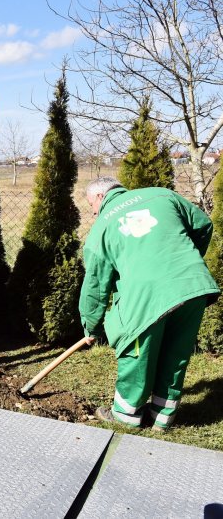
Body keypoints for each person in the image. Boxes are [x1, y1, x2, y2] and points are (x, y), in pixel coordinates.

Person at [79, 176, 219, 431]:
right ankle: (162, 417)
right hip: (192, 286)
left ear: (100, 197)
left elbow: (95, 286)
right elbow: (202, 225)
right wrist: (182, 262)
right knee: (175, 353)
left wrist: (91, 326)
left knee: (137, 352)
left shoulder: (102, 227)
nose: (94, 212)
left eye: (91, 206)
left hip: (146, 296)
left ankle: (126, 415)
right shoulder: (162, 195)